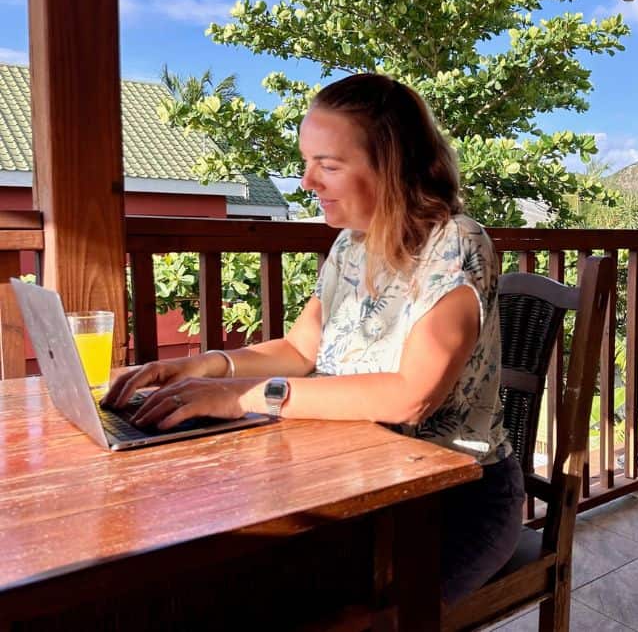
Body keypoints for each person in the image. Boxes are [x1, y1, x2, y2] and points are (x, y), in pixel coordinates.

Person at [102, 73, 525, 604]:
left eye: (327, 164)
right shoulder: (353, 246)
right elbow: (302, 351)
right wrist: (202, 367)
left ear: (391, 166)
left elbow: (411, 396)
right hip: (360, 480)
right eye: (308, 162)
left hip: (452, 499)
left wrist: (247, 397)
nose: (307, 181)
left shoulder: (456, 243)